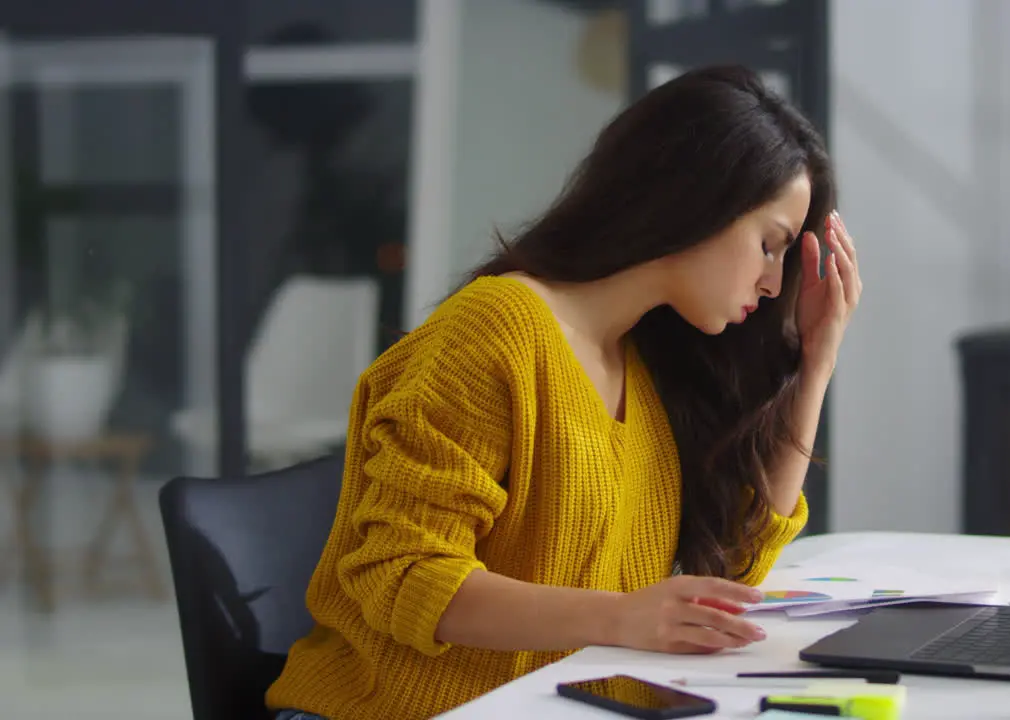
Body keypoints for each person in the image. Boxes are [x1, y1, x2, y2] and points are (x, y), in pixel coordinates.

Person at [266, 64, 862, 720]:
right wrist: (617, 618)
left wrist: (816, 360)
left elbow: (723, 590)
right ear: (697, 203)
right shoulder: (494, 331)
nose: (774, 283)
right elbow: (398, 574)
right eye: (769, 246)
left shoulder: (649, 362)